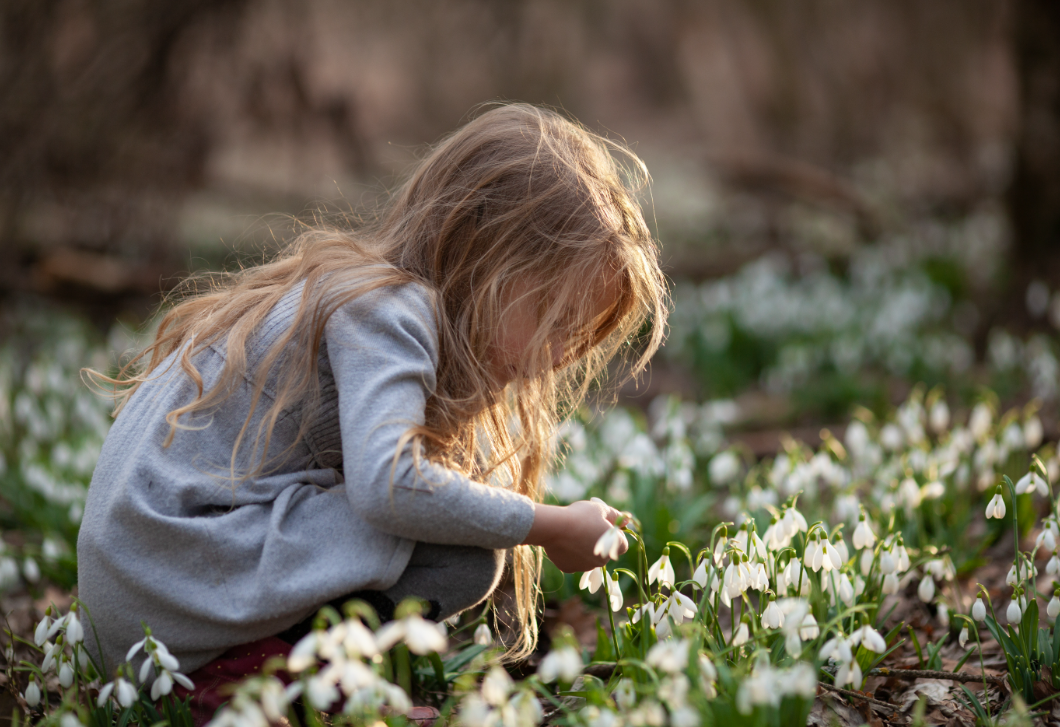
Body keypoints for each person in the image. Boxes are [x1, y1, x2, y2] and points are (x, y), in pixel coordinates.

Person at [77, 103, 668, 702]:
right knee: (466, 547)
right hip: (165, 595)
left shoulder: (369, 297)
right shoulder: (388, 309)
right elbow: (388, 484)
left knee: (462, 556)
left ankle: (282, 670)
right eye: (554, 316)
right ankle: (253, 682)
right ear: (485, 255)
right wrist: (548, 526)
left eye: (581, 331)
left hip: (136, 602)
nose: (560, 352)